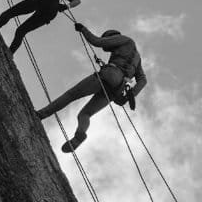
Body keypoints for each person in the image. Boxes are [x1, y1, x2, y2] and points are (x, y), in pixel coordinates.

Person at [35, 23, 148, 152]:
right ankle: (80, 135)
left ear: (113, 36)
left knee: (71, 95)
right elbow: (143, 80)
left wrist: (83, 29)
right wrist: (130, 96)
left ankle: (41, 114)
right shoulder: (137, 58)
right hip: (118, 88)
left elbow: (97, 41)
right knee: (85, 114)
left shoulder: (125, 40)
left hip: (110, 74)